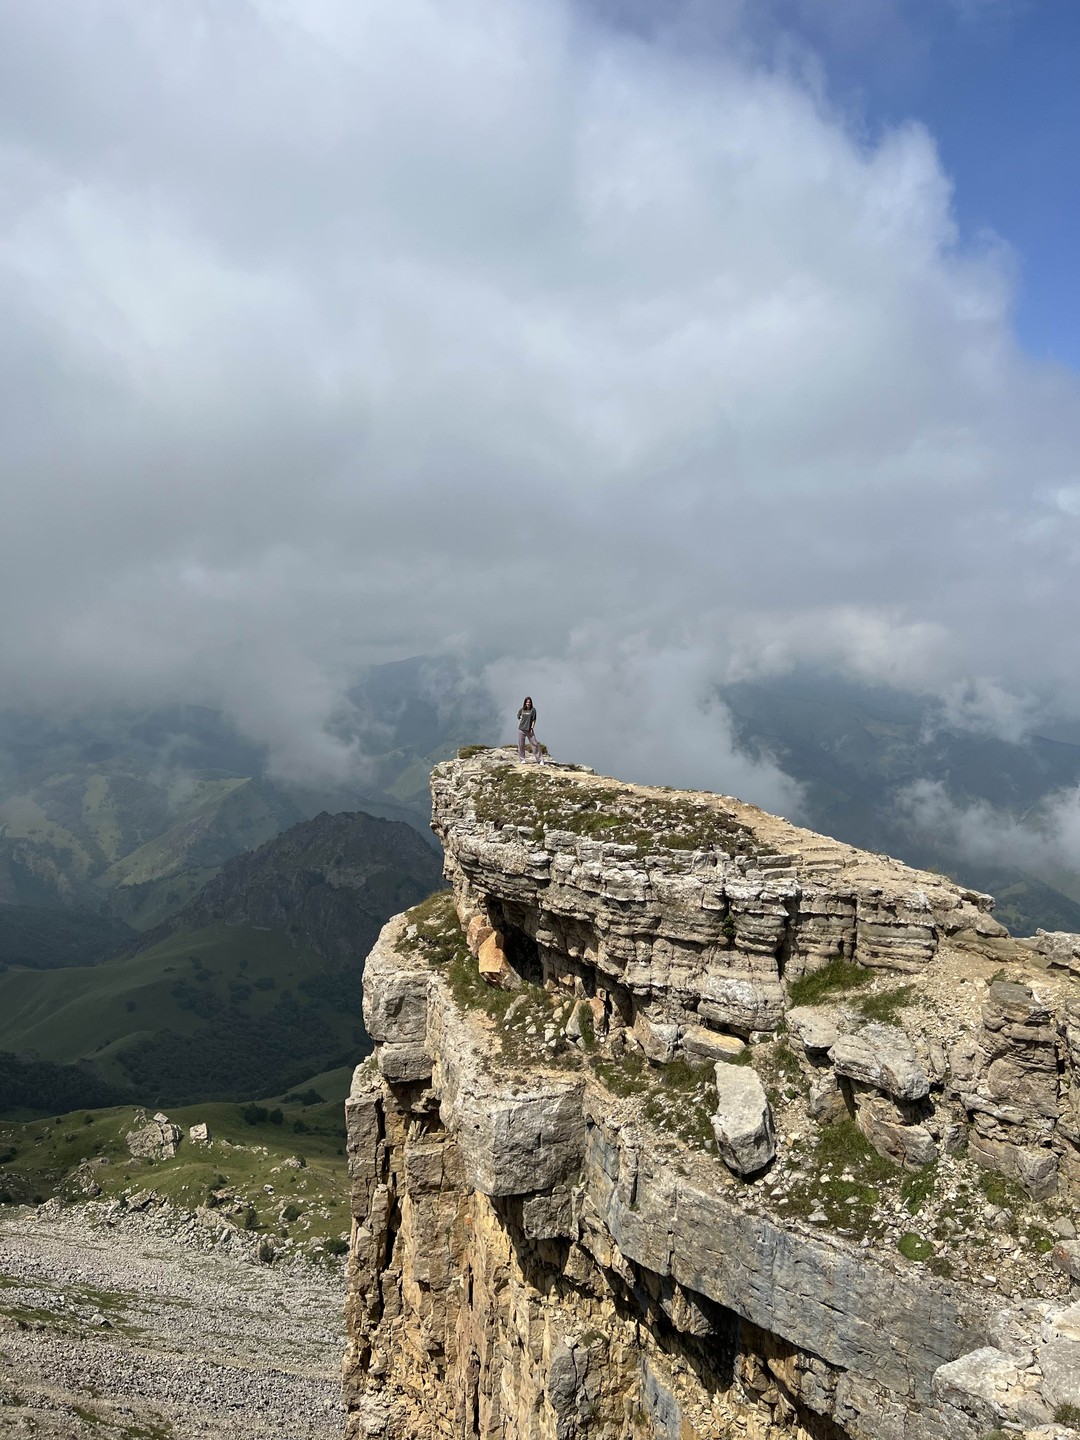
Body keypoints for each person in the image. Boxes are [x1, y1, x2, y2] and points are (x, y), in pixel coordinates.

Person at [517, 696, 543, 763]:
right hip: (521, 729)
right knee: (521, 745)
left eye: (529, 702)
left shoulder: (533, 710)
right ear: (525, 703)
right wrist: (521, 720)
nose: (528, 703)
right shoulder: (522, 710)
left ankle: (540, 760)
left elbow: (534, 720)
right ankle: (522, 759)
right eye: (527, 702)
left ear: (531, 703)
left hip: (529, 729)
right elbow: (518, 716)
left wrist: (532, 727)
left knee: (534, 744)